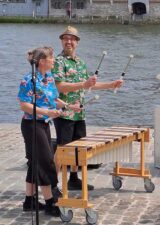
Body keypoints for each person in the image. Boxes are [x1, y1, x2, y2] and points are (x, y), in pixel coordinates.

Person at [52, 26, 123, 191]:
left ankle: (73, 179)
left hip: (79, 114)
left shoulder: (81, 63)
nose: (68, 41)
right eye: (65, 38)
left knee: (78, 147)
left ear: (77, 42)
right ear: (62, 41)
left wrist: (111, 84)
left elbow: (89, 85)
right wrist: (83, 84)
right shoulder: (58, 61)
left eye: (72, 39)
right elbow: (59, 86)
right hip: (64, 113)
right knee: (62, 149)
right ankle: (53, 184)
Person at [18, 47, 80, 216]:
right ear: (43, 61)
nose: (54, 61)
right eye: (52, 58)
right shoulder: (29, 79)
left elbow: (53, 98)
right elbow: (23, 105)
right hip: (32, 125)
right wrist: (47, 112)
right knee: (46, 162)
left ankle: (29, 201)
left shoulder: (49, 78)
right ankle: (50, 202)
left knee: (35, 162)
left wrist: (67, 106)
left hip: (44, 125)